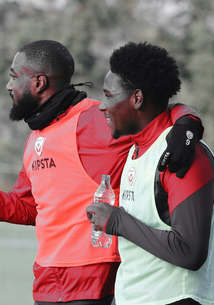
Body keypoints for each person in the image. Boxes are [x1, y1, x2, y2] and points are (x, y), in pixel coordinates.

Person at [0, 40, 202, 304]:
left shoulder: (95, 118)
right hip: (47, 282)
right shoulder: (36, 135)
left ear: (39, 83)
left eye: (14, 76)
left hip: (96, 281)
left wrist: (186, 123)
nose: (8, 85)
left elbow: (154, 115)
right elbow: (29, 207)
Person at [86, 42, 214, 305]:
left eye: (109, 95)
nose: (101, 106)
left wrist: (118, 221)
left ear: (137, 98)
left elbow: (190, 252)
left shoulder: (185, 154)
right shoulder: (136, 147)